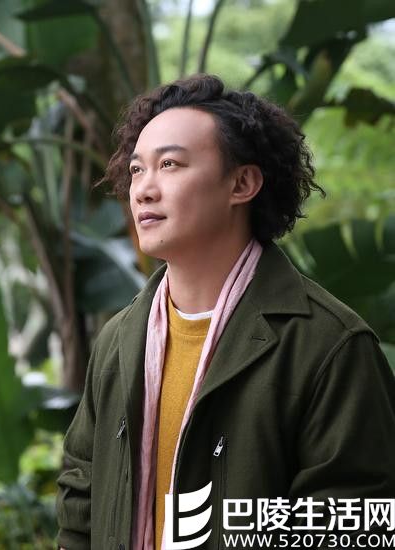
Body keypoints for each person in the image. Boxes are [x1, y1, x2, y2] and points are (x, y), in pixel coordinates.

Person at [55, 74, 395, 550]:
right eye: (137, 170)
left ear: (242, 183)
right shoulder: (120, 340)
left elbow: (352, 526)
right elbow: (80, 500)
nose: (143, 190)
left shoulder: (328, 345)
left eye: (170, 164)